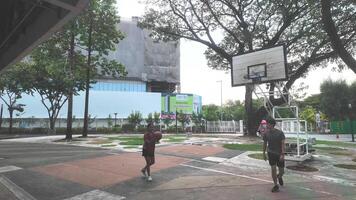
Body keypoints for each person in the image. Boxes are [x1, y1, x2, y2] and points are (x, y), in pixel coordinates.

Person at [262, 117, 285, 193]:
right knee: (273, 169)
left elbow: (282, 144)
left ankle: (279, 176)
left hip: (279, 154)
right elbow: (265, 143)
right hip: (271, 153)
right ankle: (275, 185)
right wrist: (264, 153)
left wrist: (282, 154)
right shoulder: (266, 133)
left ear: (272, 124)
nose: (266, 125)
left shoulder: (280, 133)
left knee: (281, 171)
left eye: (267, 124)